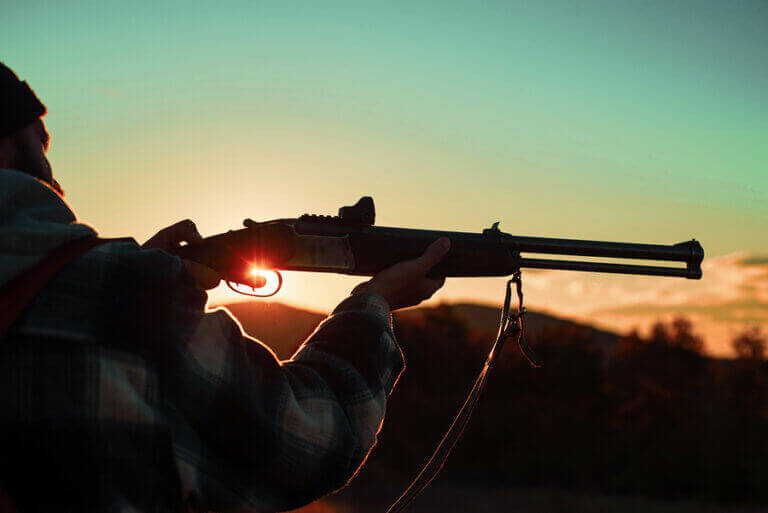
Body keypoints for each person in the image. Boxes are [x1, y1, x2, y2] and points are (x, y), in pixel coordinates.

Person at [0, 62, 449, 512]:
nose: (54, 173)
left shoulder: (119, 284)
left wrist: (145, 274)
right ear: (6, 148)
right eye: (40, 142)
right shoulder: (124, 292)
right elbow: (314, 439)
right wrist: (373, 305)